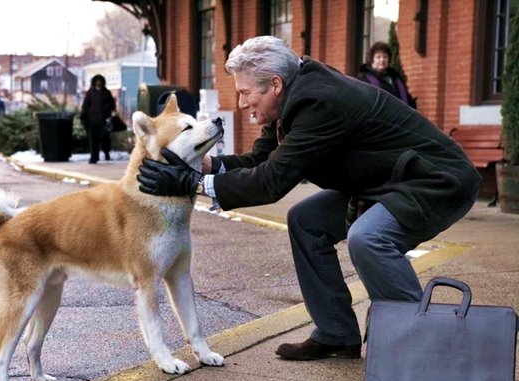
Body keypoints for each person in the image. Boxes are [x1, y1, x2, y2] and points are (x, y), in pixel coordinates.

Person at [137, 35, 481, 361]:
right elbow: (261, 161)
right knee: (306, 221)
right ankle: (336, 333)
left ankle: (425, 343)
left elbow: (271, 182)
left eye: (245, 93)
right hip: (387, 181)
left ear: (274, 85)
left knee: (368, 238)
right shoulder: (291, 96)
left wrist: (191, 183)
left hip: (435, 180)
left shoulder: (320, 102)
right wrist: (204, 164)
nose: (241, 104)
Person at [358, 41, 416, 109]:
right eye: (378, 57)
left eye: (385, 57)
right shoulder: (364, 79)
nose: (382, 60)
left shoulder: (396, 77)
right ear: (371, 60)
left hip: (401, 117)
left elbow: (407, 98)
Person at [80, 74, 116, 164]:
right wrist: (83, 116)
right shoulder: (90, 93)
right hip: (92, 120)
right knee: (93, 140)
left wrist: (106, 109)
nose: (98, 82)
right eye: (97, 81)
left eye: (100, 81)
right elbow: (85, 105)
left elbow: (112, 105)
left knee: (105, 138)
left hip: (104, 120)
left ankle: (106, 152)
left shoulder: (106, 93)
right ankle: (94, 157)